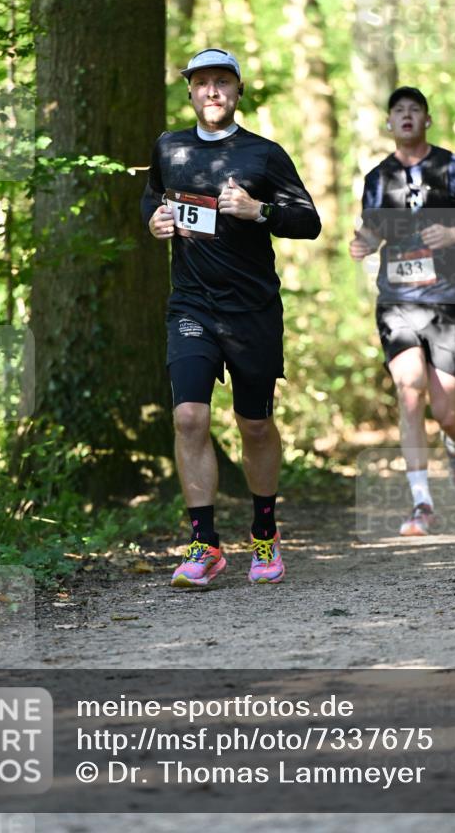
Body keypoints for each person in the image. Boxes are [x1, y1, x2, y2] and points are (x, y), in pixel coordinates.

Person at [141, 48, 321, 586]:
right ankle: (205, 545)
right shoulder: (169, 148)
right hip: (192, 304)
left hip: (252, 311)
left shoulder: (264, 154)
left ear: (239, 91)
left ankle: (264, 534)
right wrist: (154, 221)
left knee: (255, 425)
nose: (213, 91)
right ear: (190, 91)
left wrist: (259, 211)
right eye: (202, 83)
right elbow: (151, 198)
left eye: (223, 81)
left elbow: (308, 221)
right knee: (189, 418)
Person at [350, 87, 455, 537]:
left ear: (427, 120)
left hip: (448, 301)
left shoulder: (454, 168)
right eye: (398, 110)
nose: (406, 116)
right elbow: (373, 230)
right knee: (409, 389)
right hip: (397, 301)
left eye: (414, 110)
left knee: (446, 410)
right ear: (388, 123)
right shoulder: (378, 177)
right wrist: (363, 243)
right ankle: (422, 503)